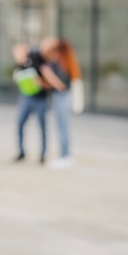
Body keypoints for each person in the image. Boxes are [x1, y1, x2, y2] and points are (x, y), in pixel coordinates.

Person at [12, 40, 66, 164]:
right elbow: (20, 55)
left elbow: (54, 84)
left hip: (40, 99)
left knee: (42, 127)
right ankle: (21, 152)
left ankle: (43, 154)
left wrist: (41, 83)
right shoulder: (29, 57)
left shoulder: (48, 62)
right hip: (26, 97)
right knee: (20, 124)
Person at [41, 38, 82, 169]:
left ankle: (65, 156)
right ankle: (64, 155)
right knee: (61, 127)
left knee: (63, 127)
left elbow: (61, 86)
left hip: (62, 98)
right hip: (59, 97)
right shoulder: (59, 63)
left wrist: (48, 75)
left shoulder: (62, 65)